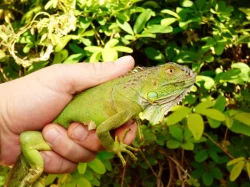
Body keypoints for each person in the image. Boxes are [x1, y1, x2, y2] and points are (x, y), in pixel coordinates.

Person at [0, 56, 137, 173]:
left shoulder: (129, 104)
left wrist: (4, 125)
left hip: (33, 138)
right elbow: (102, 130)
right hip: (42, 132)